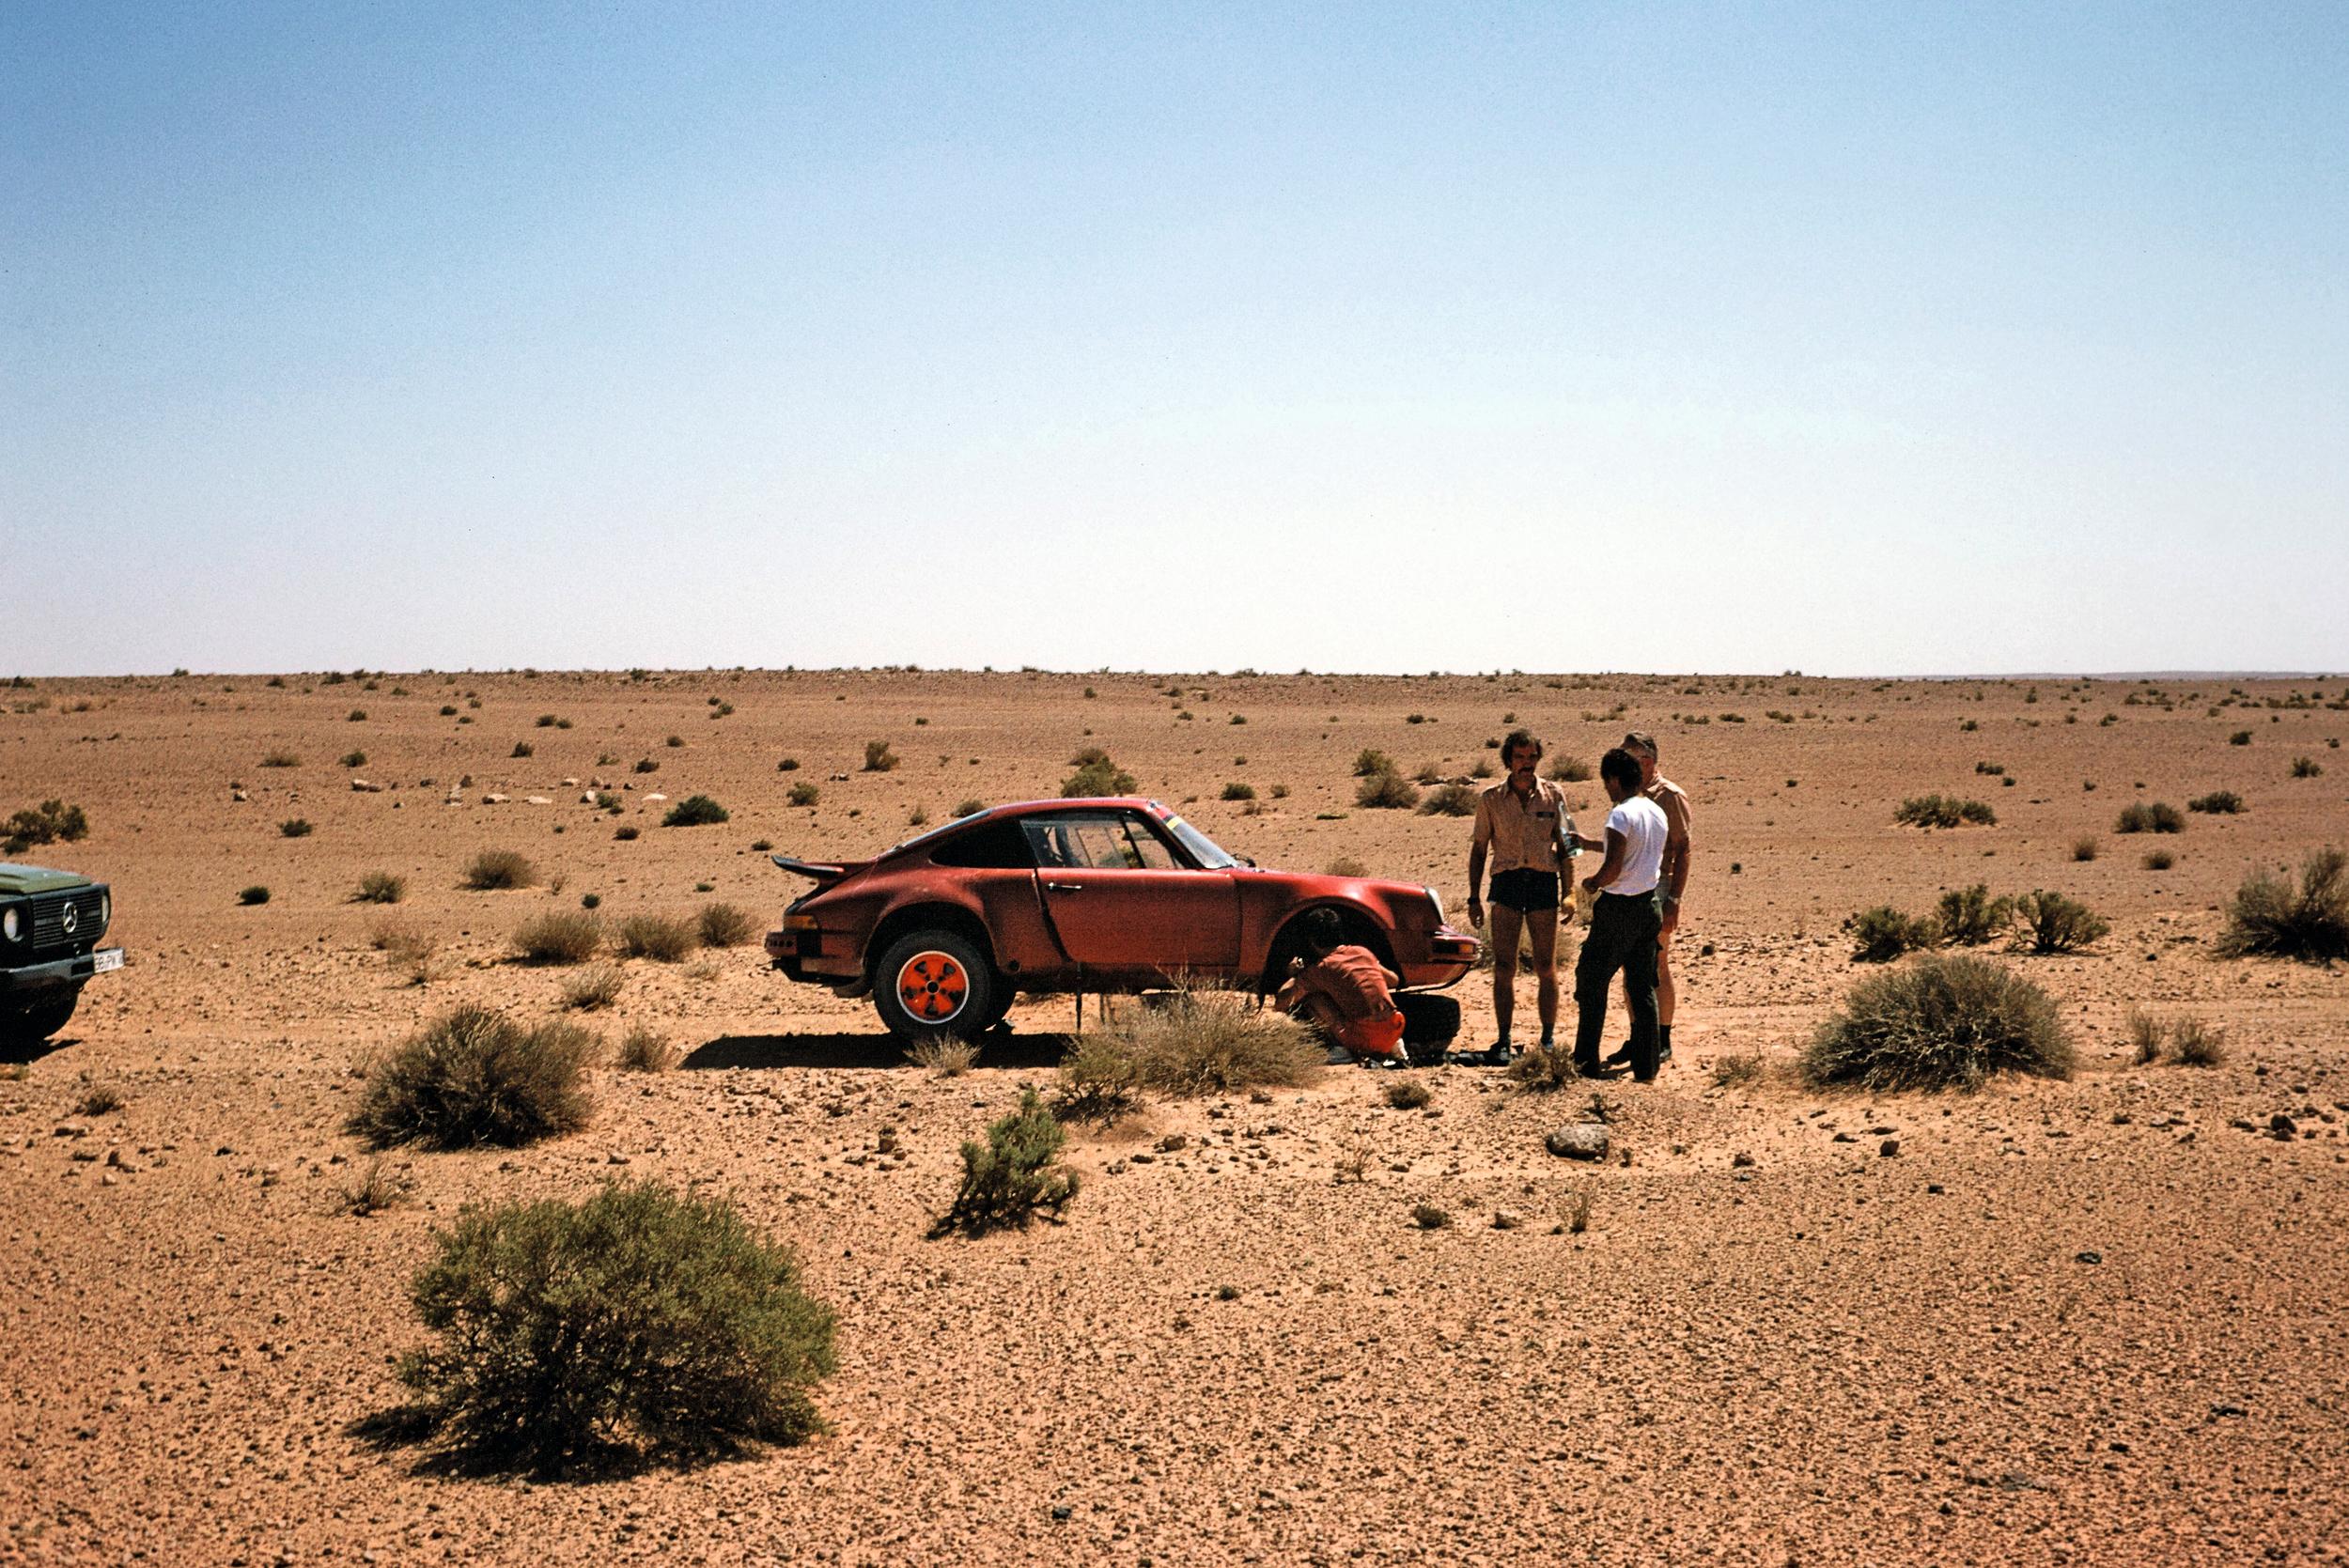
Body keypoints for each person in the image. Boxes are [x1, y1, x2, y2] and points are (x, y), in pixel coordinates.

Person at [1463, 729, 1574, 1063]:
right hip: (1507, 883)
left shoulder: (1554, 795)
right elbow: (1479, 849)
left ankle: (1548, 1038)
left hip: (1542, 882)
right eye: (1520, 758)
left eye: (1532, 757)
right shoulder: (1491, 799)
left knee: (1545, 966)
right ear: (1509, 761)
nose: (1527, 764)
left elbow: (1568, 846)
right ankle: (1503, 1038)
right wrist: (1473, 897)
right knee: (1504, 965)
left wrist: (1569, 892)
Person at [1567, 747, 1669, 1080]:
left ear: (1613, 779)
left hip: (1618, 909)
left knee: (1592, 981)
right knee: (1642, 988)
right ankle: (1647, 1065)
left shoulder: (1620, 814)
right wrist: (1589, 843)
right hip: (1648, 906)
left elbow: (1614, 867)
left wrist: (1592, 883)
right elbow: (1633, 851)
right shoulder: (1655, 811)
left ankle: (1585, 1062)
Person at [1604, 730, 1692, 1068]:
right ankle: (1640, 1035)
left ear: (1649, 762)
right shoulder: (1628, 796)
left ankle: (1662, 1037)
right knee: (1632, 968)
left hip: (1660, 884)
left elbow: (1683, 849)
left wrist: (1675, 898)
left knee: (1657, 962)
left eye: (1632, 760)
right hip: (1631, 885)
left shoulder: (1669, 796)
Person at [1276, 908, 1408, 1063]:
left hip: (1365, 1039)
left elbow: (1281, 1002)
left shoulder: (1321, 968)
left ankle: (1342, 1049)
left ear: (1312, 941)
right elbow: (1394, 980)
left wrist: (1295, 974)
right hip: (1394, 1028)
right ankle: (1391, 1046)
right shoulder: (1362, 952)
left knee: (1313, 998)